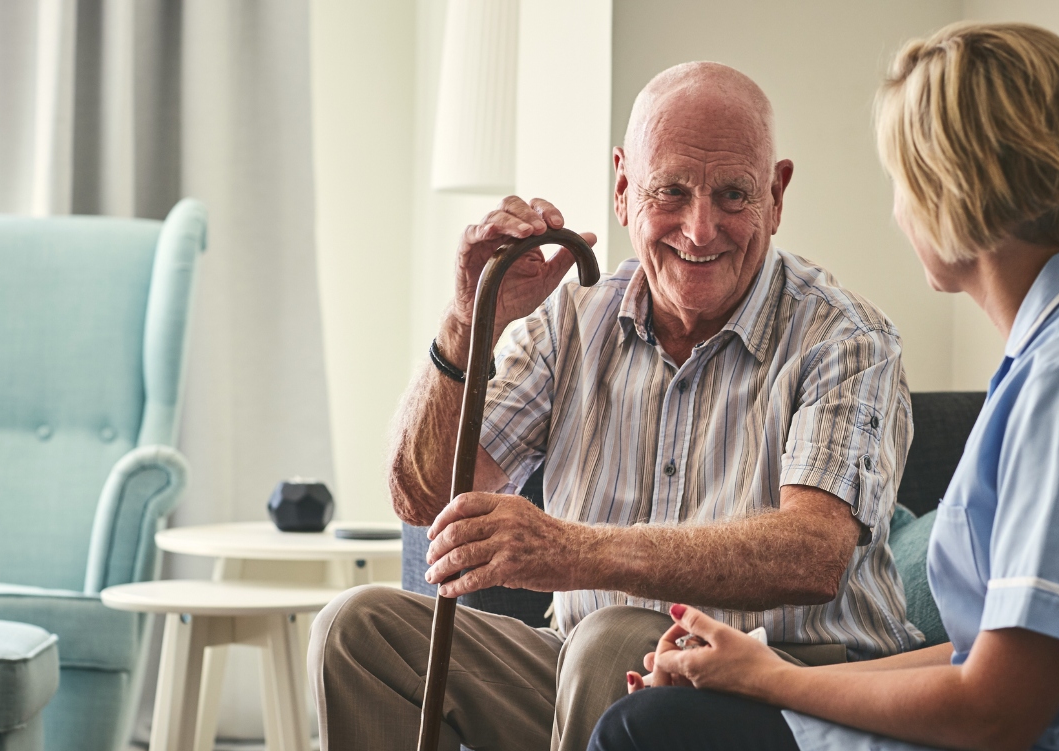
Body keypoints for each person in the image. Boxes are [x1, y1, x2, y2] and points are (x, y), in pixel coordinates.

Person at [589, 22, 1059, 751]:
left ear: (947, 188)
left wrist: (770, 679)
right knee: (664, 721)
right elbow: (990, 658)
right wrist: (750, 665)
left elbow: (996, 710)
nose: (898, 208)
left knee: (648, 732)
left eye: (900, 179)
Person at [307, 61, 923, 751]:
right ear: (624, 187)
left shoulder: (844, 336)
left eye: (733, 195)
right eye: (671, 192)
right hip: (581, 669)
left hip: (786, 684)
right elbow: (423, 496)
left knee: (613, 638)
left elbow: (814, 553)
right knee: (356, 629)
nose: (699, 229)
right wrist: (464, 320)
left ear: (776, 195)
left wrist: (574, 551)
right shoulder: (570, 322)